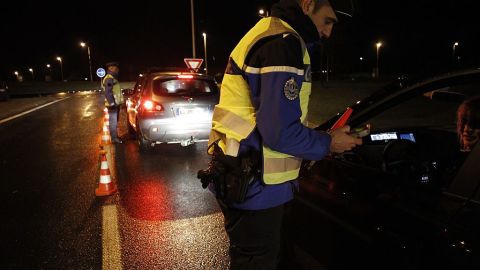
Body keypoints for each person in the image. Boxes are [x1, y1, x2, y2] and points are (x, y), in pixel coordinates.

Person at [199, 0, 362, 269]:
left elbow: (276, 120)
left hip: (245, 177)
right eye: (328, 20)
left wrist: (320, 135)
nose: (328, 32)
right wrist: (329, 143)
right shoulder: (283, 45)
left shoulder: (272, 34)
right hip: (255, 186)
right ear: (308, 4)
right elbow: (280, 133)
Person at [103, 62, 123, 144]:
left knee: (115, 121)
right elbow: (108, 92)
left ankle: (115, 137)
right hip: (112, 105)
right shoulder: (109, 78)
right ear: (110, 68)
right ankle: (114, 139)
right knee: (113, 122)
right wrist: (112, 103)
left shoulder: (113, 78)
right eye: (115, 68)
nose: (117, 70)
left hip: (115, 104)